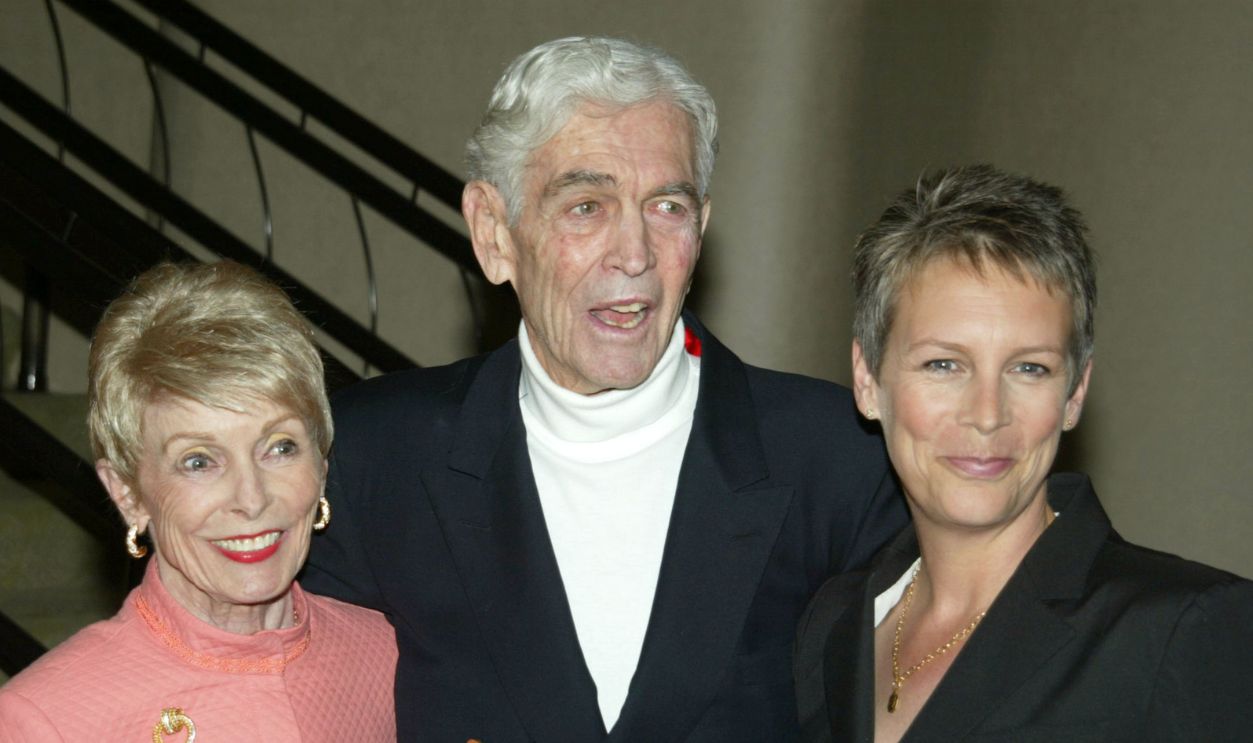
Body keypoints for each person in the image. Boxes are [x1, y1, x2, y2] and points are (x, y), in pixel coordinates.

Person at [301, 36, 906, 741]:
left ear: (701, 228)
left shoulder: (840, 458)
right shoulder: (369, 459)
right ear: (494, 234)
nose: (635, 253)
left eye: (666, 207)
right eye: (586, 206)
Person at [793, 164, 1253, 742]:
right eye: (944, 364)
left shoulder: (1183, 628)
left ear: (1074, 393)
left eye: (1029, 368)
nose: (988, 413)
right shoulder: (831, 624)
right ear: (867, 380)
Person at [0, 261, 397, 741]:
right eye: (198, 461)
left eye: (280, 447)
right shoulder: (45, 720)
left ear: (322, 466)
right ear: (128, 493)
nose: (251, 500)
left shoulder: (389, 657)